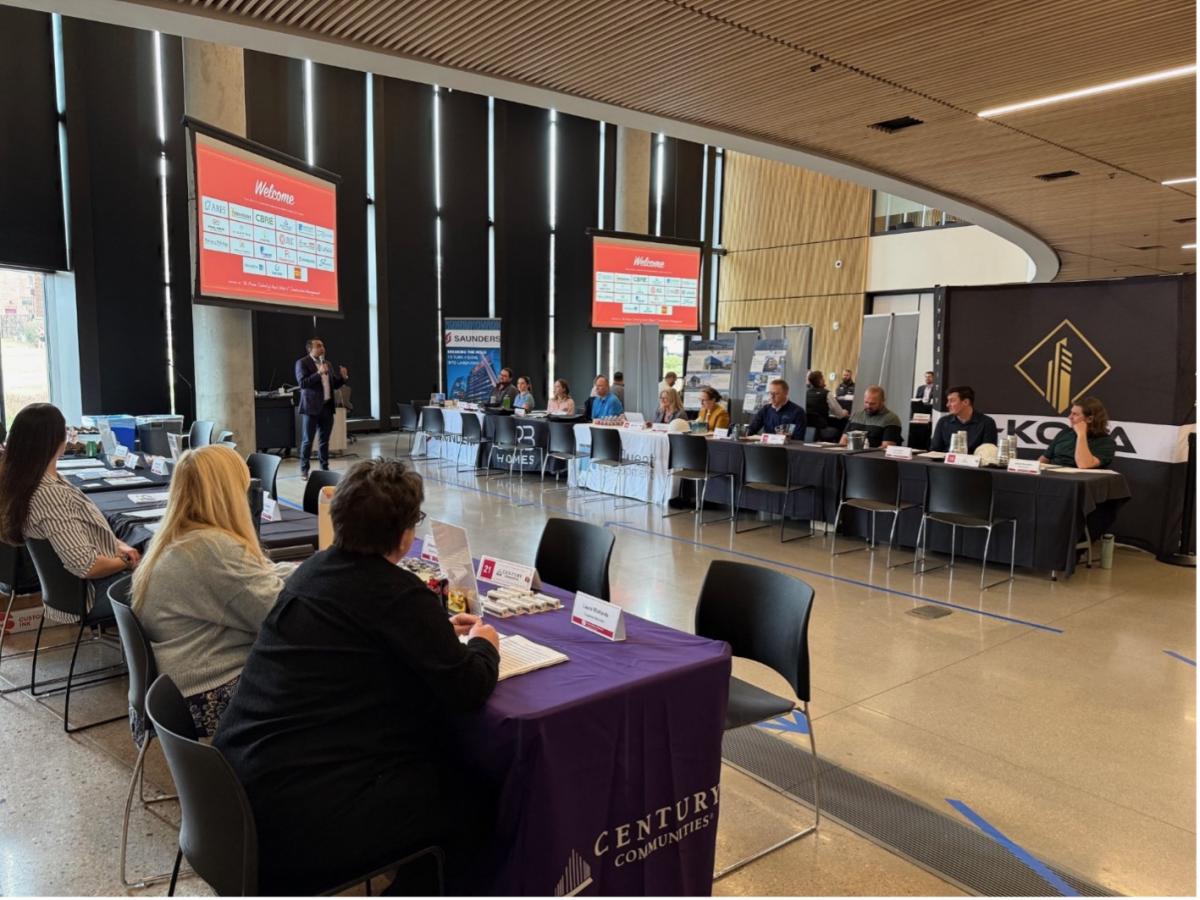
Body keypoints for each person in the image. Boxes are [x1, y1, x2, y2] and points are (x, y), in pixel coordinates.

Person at [213, 459, 500, 895]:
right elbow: (468, 688)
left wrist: (432, 630)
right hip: (297, 818)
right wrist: (484, 644)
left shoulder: (310, 573)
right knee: (471, 799)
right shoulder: (399, 596)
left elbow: (359, 643)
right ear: (405, 535)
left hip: (232, 791)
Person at [130, 444, 292, 740]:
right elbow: (280, 616)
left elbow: (256, 579)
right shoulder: (211, 549)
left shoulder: (182, 538)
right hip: (206, 691)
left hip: (178, 684)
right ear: (229, 493)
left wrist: (306, 570)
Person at [0, 403, 141, 622]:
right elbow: (86, 565)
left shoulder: (30, 481)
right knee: (173, 580)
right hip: (93, 594)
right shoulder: (50, 495)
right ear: (56, 441)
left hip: (78, 592)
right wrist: (129, 560)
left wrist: (120, 546)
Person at [294, 338, 348, 481]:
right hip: (311, 407)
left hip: (327, 407)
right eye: (318, 346)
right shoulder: (302, 363)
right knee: (308, 441)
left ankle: (324, 468)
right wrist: (318, 374)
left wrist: (343, 378)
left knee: (324, 441)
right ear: (310, 349)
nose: (322, 348)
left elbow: (334, 384)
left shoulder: (327, 363)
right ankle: (304, 470)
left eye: (323, 345)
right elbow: (303, 383)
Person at [1039, 397, 1117, 469]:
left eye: (1075, 414)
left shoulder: (1106, 442)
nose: (1069, 417)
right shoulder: (1065, 432)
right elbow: (1044, 459)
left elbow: (1084, 465)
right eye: (1071, 413)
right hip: (1053, 478)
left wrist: (1081, 434)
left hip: (1076, 482)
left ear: (1089, 419)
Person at [930, 385, 998, 453]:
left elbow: (989, 453)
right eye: (948, 401)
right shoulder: (943, 421)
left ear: (966, 402)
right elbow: (935, 450)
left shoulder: (987, 423)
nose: (947, 405)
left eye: (952, 401)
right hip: (946, 462)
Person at [804, 369, 849, 438]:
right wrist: (845, 412)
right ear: (820, 380)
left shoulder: (806, 393)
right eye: (823, 378)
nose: (824, 380)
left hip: (808, 426)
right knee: (844, 422)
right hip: (821, 426)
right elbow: (839, 414)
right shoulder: (826, 393)